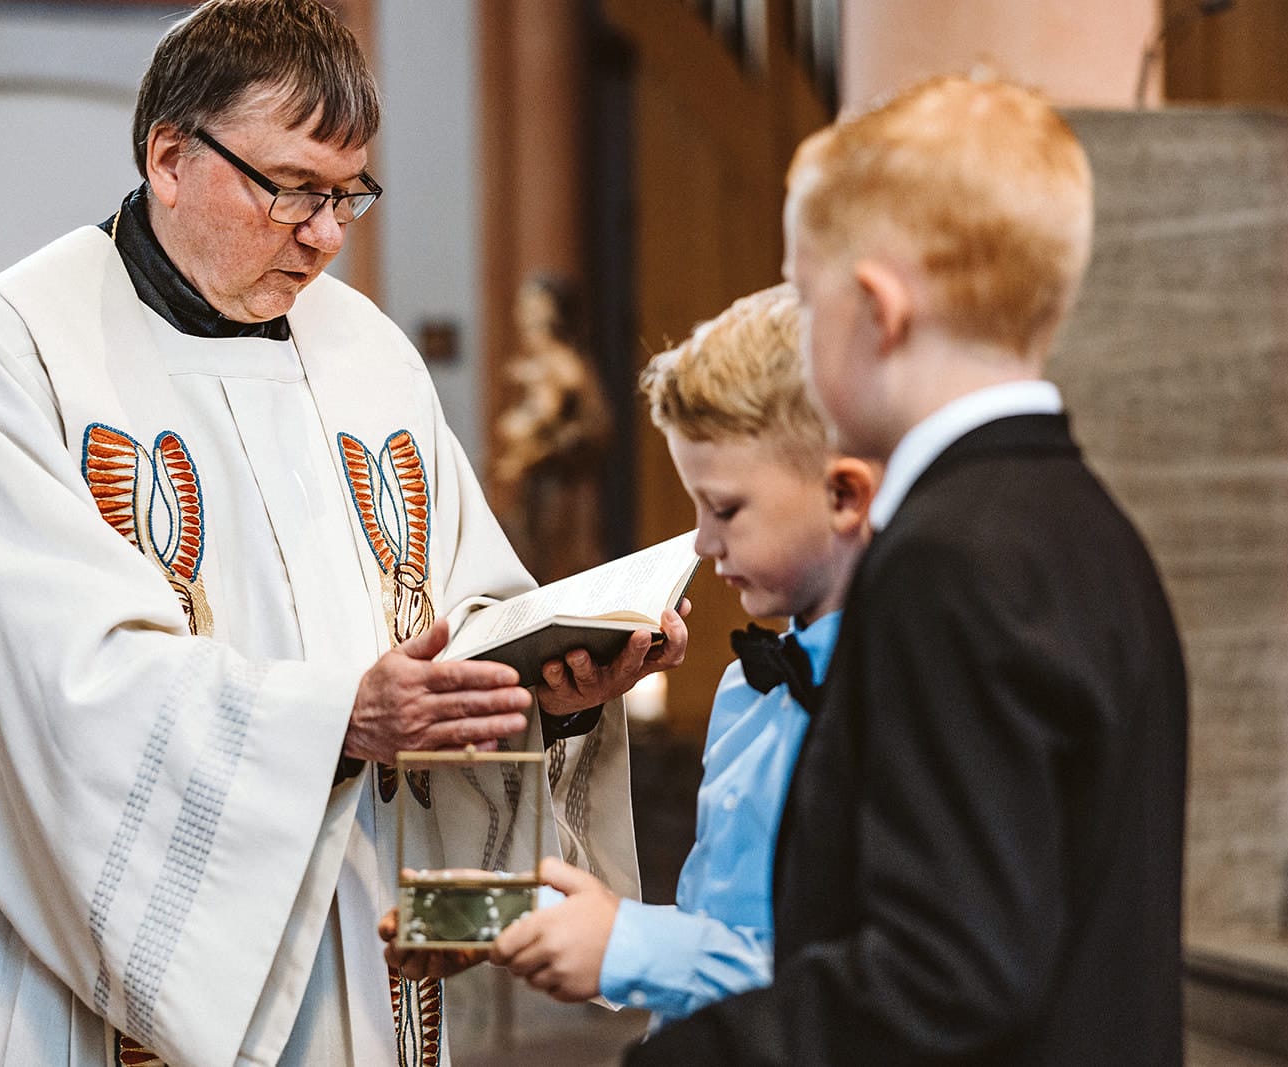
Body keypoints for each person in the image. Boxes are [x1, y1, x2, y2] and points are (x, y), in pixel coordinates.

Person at [0, 2, 685, 1065]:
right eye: (292, 188)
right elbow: (47, 680)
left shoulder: (366, 350)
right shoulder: (16, 350)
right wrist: (335, 718)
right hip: (101, 977)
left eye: (348, 192)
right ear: (171, 156)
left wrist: (541, 688)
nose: (326, 233)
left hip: (356, 944)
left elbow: (450, 612)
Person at [630, 75, 1189, 1065]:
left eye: (806, 298)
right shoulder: (1087, 523)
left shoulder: (947, 559)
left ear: (877, 310)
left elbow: (948, 970)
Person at [485, 285, 876, 1025]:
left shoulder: (905, 699)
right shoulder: (744, 688)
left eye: (725, 507)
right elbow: (720, 929)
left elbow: (873, 978)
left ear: (843, 494)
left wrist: (633, 944)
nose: (701, 541)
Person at [491, 275, 613, 584]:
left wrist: (528, 446)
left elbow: (539, 420)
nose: (523, 316)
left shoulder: (560, 364)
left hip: (560, 491)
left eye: (533, 310)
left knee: (559, 570)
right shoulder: (540, 364)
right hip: (538, 487)